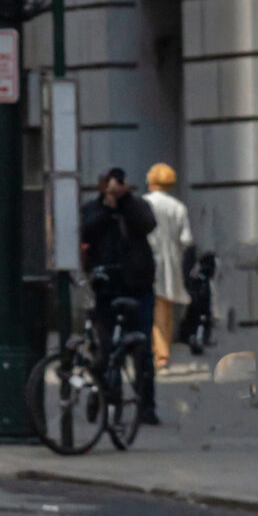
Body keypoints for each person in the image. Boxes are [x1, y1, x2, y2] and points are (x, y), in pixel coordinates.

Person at [79, 166, 160, 420]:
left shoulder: (136, 206)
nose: (114, 187)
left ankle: (146, 405)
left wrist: (124, 201)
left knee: (142, 348)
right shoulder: (92, 209)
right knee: (106, 350)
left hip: (138, 287)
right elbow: (86, 231)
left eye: (118, 182)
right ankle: (105, 398)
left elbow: (148, 224)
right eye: (109, 183)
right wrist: (107, 207)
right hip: (106, 288)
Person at [146, 162, 193, 370]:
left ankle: (157, 350)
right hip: (171, 263)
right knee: (166, 307)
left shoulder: (144, 203)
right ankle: (163, 352)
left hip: (147, 260)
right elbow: (186, 239)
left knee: (151, 306)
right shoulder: (178, 207)